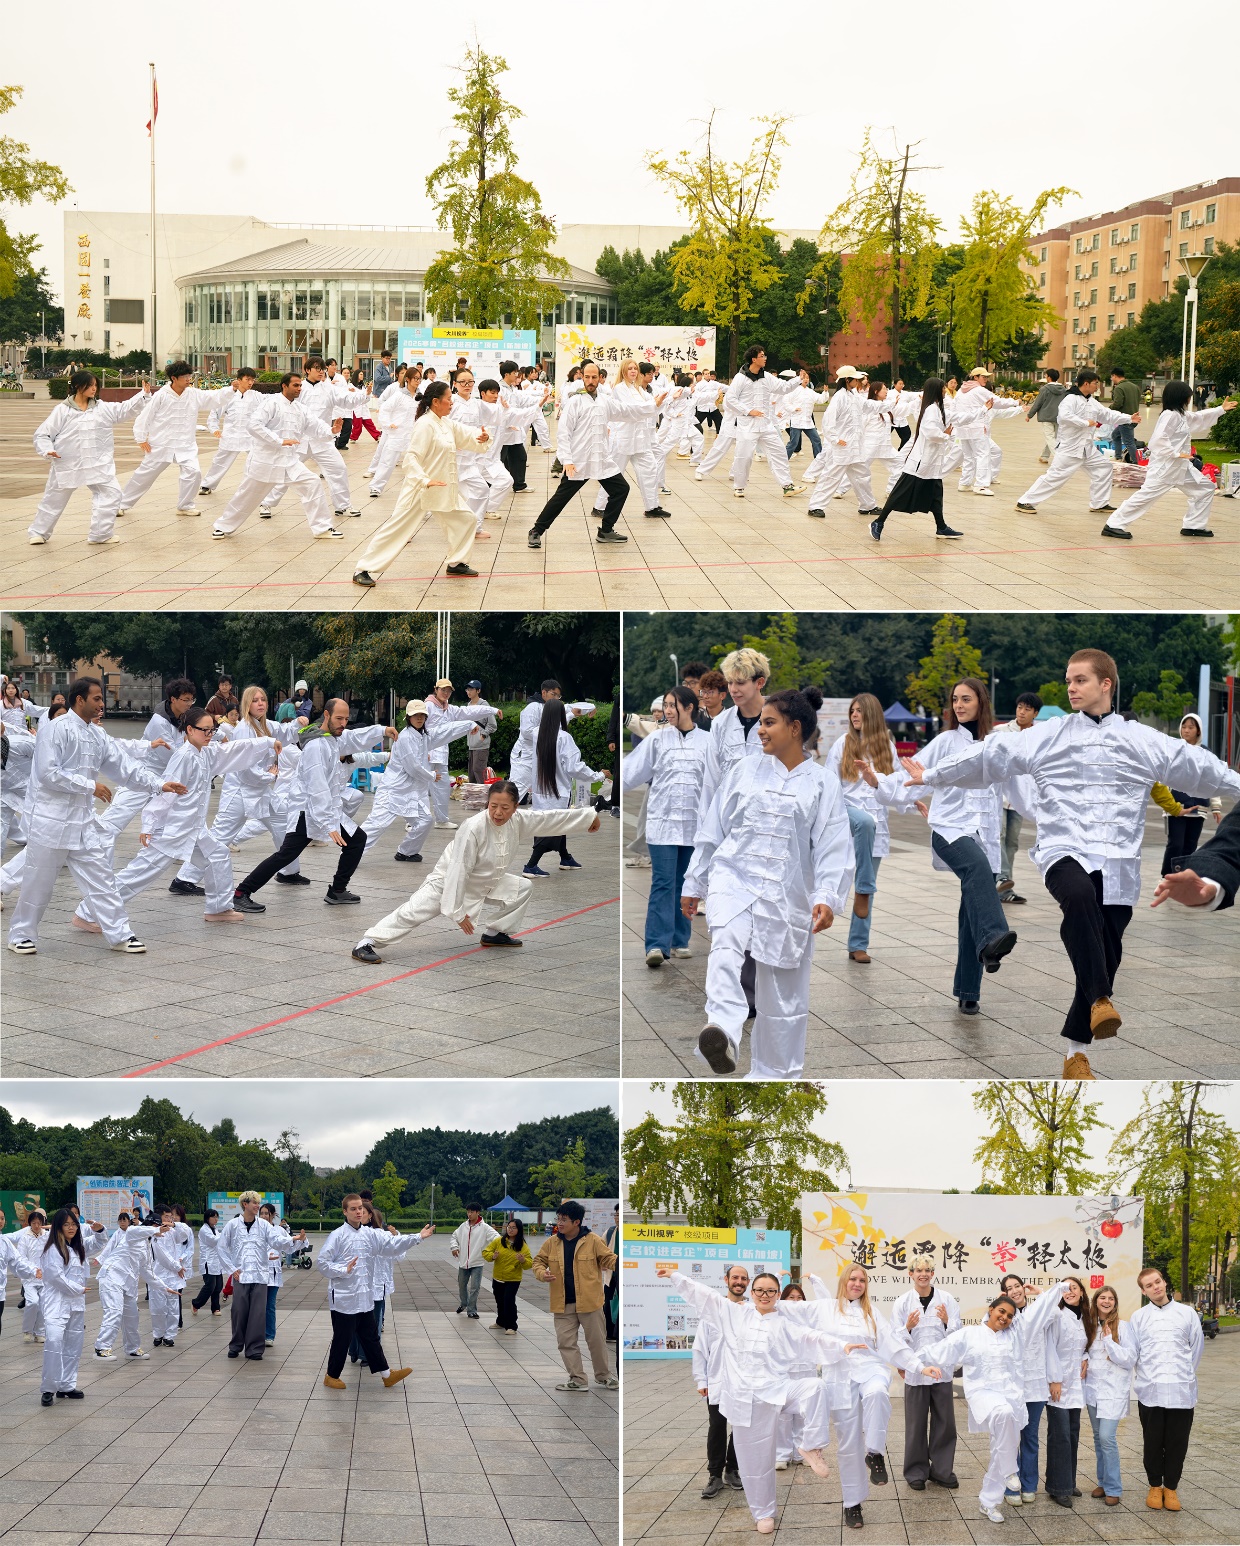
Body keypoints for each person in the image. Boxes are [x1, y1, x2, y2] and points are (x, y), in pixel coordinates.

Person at [906, 649, 1240, 1076]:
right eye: (1068, 680)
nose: (1071, 687)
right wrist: (931, 774)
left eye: (1080, 680)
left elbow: (1198, 766)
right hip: (1063, 850)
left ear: (1106, 684)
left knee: (1108, 951)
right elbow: (991, 755)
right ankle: (1100, 998)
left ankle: (1074, 1054)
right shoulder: (1050, 734)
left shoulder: (1142, 740)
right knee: (1079, 897)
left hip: (1119, 861)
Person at [684, 686, 854, 1077]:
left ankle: (773, 1076)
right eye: (760, 723)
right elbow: (714, 828)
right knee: (725, 945)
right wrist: (695, 881)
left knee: (783, 995)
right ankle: (723, 1031)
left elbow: (833, 845)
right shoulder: (744, 771)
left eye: (769, 723)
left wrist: (827, 896)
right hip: (734, 877)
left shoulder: (822, 783)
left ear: (795, 728)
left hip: (788, 895)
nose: (760, 730)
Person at [860, 678, 1018, 1017]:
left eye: (966, 699)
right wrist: (878, 782)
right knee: (976, 870)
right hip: (949, 830)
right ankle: (995, 936)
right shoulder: (946, 741)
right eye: (955, 699)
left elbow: (1021, 789)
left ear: (981, 702)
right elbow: (913, 775)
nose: (958, 705)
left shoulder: (997, 745)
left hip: (985, 839)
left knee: (971, 909)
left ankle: (968, 991)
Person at [660, 1263, 856, 1534]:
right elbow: (706, 1296)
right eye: (760, 1290)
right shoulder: (734, 1313)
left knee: (815, 1387)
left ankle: (811, 1446)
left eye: (771, 1291)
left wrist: (842, 1345)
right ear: (752, 1292)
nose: (765, 1295)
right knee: (755, 1462)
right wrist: (676, 1276)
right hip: (746, 1399)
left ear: (778, 1294)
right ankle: (763, 1513)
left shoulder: (784, 1323)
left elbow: (811, 1337)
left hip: (778, 1389)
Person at [7, 678, 187, 957]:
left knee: (102, 880)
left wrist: (159, 784)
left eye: (102, 699)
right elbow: (47, 773)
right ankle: (21, 935)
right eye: (97, 699)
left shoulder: (97, 735)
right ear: (79, 700)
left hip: (83, 823)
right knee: (38, 883)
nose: (102, 704)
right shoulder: (55, 729)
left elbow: (126, 768)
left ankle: (120, 934)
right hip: (50, 821)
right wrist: (90, 786)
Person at [74, 705, 284, 931]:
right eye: (204, 730)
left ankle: (219, 908)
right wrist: (149, 825)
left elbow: (233, 749)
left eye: (212, 730)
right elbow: (166, 793)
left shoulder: (206, 752)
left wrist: (267, 742)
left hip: (193, 828)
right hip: (171, 830)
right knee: (140, 873)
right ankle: (88, 912)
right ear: (189, 730)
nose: (209, 735)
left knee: (218, 856)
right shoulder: (184, 757)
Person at [351, 781, 603, 963]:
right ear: (487, 804)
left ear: (515, 807)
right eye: (493, 806)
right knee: (412, 912)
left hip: (485, 880)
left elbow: (548, 818)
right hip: (447, 881)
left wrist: (588, 817)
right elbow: (458, 869)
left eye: (505, 807)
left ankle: (495, 934)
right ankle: (367, 942)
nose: (498, 813)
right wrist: (457, 910)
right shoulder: (473, 827)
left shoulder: (518, 820)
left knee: (522, 888)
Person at [899, 1283, 1070, 1524]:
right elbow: (939, 1349)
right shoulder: (970, 1334)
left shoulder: (1016, 1336)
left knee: (1002, 1447)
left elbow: (1037, 1313)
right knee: (1003, 1414)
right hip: (983, 1394)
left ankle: (988, 1502)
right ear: (991, 1310)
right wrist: (914, 1364)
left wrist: (1057, 1290)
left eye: (1010, 1315)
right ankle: (1011, 1470)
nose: (1005, 1317)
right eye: (1001, 1311)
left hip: (1011, 1396)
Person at [232, 699, 394, 911]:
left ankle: (337, 890)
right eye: (339, 718)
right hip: (307, 810)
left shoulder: (332, 738)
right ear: (326, 715)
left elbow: (354, 737)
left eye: (346, 719)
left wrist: (382, 730)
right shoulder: (316, 745)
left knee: (357, 840)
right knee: (286, 855)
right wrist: (328, 824)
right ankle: (241, 892)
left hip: (324, 810)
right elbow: (317, 787)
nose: (343, 723)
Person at [353, 379, 492, 586]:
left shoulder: (446, 423)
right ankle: (363, 568)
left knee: (466, 519)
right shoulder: (424, 424)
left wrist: (481, 437)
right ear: (436, 401)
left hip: (442, 488)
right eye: (448, 399)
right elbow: (411, 458)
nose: (452, 403)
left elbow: (467, 434)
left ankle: (456, 563)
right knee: (398, 528)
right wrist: (425, 480)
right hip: (420, 488)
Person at [623, 685, 711, 967]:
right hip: (662, 825)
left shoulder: (708, 742)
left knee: (686, 883)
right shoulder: (657, 740)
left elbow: (718, 782)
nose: (667, 711)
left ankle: (680, 940)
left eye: (673, 705)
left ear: (689, 708)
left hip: (694, 827)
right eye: (666, 705)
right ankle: (656, 945)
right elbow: (632, 770)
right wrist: (609, 790)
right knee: (663, 882)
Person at [318, 1194, 433, 1390]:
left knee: (371, 1337)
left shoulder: (370, 1234)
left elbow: (392, 1245)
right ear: (345, 1211)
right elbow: (322, 1263)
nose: (358, 1212)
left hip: (364, 1298)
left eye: (360, 1208)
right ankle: (331, 1376)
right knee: (342, 1339)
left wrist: (417, 1237)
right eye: (353, 1209)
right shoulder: (337, 1235)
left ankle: (386, 1374)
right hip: (345, 1299)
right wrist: (343, 1269)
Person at [209, 372, 342, 539]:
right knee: (245, 496)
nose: (299, 389)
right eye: (295, 385)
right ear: (284, 386)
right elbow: (254, 425)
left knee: (313, 483)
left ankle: (322, 528)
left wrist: (331, 430)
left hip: (289, 463)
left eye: (300, 385)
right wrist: (279, 441)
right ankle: (222, 526)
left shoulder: (301, 409)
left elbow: (315, 426)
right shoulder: (271, 403)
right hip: (264, 462)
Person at [28, 368, 151, 544]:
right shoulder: (62, 410)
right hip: (68, 463)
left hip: (98, 463)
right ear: (78, 386)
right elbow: (43, 434)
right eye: (90, 385)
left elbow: (124, 409)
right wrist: (47, 450)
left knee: (111, 493)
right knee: (54, 498)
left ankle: (100, 534)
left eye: (95, 385)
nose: (94, 388)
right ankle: (38, 532)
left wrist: (143, 395)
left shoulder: (102, 408)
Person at [362, 696, 491, 862]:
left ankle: (406, 852)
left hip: (409, 792)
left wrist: (468, 725)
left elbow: (444, 731)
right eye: (415, 715)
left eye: (422, 715)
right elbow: (413, 767)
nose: (419, 718)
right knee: (376, 824)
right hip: (393, 791)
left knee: (425, 820)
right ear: (408, 718)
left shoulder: (424, 736)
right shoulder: (405, 737)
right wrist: (432, 775)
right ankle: (351, 852)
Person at [826, 694, 904, 964]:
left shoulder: (887, 747)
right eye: (852, 711)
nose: (854, 715)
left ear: (872, 713)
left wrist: (913, 800)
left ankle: (858, 945)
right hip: (847, 814)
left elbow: (896, 784)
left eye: (859, 711)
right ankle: (862, 887)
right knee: (864, 823)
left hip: (875, 827)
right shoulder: (842, 744)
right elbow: (830, 786)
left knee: (866, 884)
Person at [1102, 383, 1236, 539]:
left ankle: (1194, 525)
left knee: (1205, 488)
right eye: (1188, 396)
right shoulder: (1170, 415)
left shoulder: (1181, 414)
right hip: (1165, 468)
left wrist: (1220, 409)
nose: (1189, 399)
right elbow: (1158, 440)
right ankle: (1113, 525)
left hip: (1180, 467)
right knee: (1145, 497)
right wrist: (1176, 454)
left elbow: (1198, 417)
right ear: (1180, 397)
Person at [527, 360, 630, 549]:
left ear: (599, 378)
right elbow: (563, 432)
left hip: (600, 459)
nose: (590, 380)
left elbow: (626, 411)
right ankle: (536, 530)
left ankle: (606, 530)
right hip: (578, 461)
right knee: (561, 498)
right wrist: (567, 460)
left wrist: (654, 406)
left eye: (594, 377)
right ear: (582, 377)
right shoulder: (575, 401)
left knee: (621, 489)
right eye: (587, 377)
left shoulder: (604, 400)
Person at [1127, 1265, 1203, 1513]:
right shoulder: (1139, 1317)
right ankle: (1154, 1486)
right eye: (1149, 1285)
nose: (1155, 1287)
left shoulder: (1187, 1313)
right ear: (1143, 1291)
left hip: (1181, 1392)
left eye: (1157, 1281)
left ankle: (1170, 1488)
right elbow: (1135, 1354)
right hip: (1151, 1392)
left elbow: (1196, 1350)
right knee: (1152, 1442)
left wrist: (1183, 1375)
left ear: (1164, 1282)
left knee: (1177, 1443)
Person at [1014, 368, 1140, 516]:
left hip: (1087, 449)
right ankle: (1025, 502)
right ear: (1086, 383)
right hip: (1070, 448)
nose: (1097, 386)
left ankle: (1099, 503)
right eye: (1095, 383)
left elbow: (1107, 414)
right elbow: (1064, 417)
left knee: (1104, 468)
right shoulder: (1070, 399)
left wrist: (1128, 418)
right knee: (1055, 477)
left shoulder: (1091, 402)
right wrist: (1085, 423)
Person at [889, 1255, 962, 1491]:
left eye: (927, 1270)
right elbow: (894, 1338)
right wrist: (908, 1328)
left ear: (933, 1273)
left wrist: (947, 1321)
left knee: (945, 1423)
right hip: (916, 1371)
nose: (923, 1274)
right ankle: (916, 1472)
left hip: (941, 1371)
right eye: (918, 1270)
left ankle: (942, 1470)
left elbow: (958, 1335)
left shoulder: (946, 1299)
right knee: (916, 1424)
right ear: (910, 1274)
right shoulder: (902, 1302)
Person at [118, 362, 226, 518]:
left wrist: (232, 390)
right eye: (185, 376)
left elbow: (213, 397)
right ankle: (121, 504)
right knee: (144, 476)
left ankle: (185, 506)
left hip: (185, 445)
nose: (188, 379)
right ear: (174, 378)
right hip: (161, 444)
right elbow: (145, 416)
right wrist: (141, 438)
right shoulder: (161, 395)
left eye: (189, 376)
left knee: (193, 472)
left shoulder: (193, 394)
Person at [534, 1202, 620, 1393]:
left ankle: (604, 1376)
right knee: (565, 1343)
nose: (559, 1223)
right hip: (562, 1303)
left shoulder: (593, 1240)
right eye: (558, 1219)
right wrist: (542, 1273)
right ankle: (578, 1379)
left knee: (597, 1342)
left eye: (564, 1220)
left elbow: (608, 1259)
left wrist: (625, 1262)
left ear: (576, 1222)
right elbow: (538, 1261)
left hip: (590, 1302)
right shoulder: (552, 1243)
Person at [214, 1193, 308, 1361]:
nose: (257, 1206)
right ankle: (236, 1345)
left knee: (258, 1313)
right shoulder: (232, 1225)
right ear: (245, 1204)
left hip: (260, 1275)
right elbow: (221, 1248)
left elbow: (277, 1241)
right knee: (238, 1311)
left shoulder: (264, 1225)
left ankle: (254, 1349)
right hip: (241, 1276)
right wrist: (231, 1269)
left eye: (258, 1203)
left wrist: (295, 1238)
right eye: (254, 1203)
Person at [869, 379, 963, 541]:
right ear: (936, 390)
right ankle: (878, 522)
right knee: (898, 494)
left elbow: (958, 417)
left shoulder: (937, 408)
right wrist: (945, 435)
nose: (945, 391)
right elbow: (930, 432)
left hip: (931, 464)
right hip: (920, 463)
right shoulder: (931, 409)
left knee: (936, 496)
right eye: (943, 388)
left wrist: (983, 410)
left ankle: (941, 527)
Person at [36, 1207, 108, 1405]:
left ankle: (66, 1385)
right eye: (66, 1224)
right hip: (56, 1303)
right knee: (54, 1343)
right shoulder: (52, 1249)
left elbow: (100, 1243)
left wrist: (100, 1231)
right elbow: (55, 1277)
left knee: (73, 1345)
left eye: (74, 1224)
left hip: (76, 1305)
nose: (71, 1228)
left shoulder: (77, 1247)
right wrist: (79, 1289)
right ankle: (48, 1388)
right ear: (58, 1227)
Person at [522, 701, 600, 878]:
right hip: (558, 791)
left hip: (541, 791)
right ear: (559, 716)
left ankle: (565, 857)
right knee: (552, 828)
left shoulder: (537, 733)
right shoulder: (564, 738)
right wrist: (598, 776)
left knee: (554, 824)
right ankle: (531, 865)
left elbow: (555, 722)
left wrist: (572, 713)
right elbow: (575, 768)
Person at [693, 1264, 749, 1497]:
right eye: (735, 1277)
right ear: (726, 1280)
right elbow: (700, 1348)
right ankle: (715, 1474)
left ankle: (732, 1469)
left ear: (748, 1283)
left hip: (743, 1382)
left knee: (740, 1427)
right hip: (717, 1380)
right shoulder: (712, 1314)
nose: (739, 1282)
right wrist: (701, 1380)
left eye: (743, 1278)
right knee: (717, 1426)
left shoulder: (751, 1313)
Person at [1085, 1284, 1138, 1507]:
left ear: (1115, 1303)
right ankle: (1103, 1482)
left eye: (1111, 1298)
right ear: (1096, 1301)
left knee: (1107, 1437)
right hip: (1093, 1391)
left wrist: (1108, 1341)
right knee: (1098, 1438)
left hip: (1113, 1391)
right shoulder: (1089, 1326)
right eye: (1102, 1298)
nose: (1106, 1301)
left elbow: (1129, 1359)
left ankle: (1114, 1487)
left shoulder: (1123, 1327)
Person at [1044, 1276, 1095, 1507]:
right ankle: (1058, 1487)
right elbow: (1049, 1349)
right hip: (1058, 1385)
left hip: (1076, 1386)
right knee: (1060, 1436)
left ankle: (1068, 1481)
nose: (1070, 1292)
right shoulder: (1056, 1315)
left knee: (1073, 1433)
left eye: (1074, 1288)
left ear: (1082, 1292)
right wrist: (1054, 1379)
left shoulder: (1086, 1318)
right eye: (1065, 1289)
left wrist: (1085, 1357)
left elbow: (1085, 1346)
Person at [91, 1210, 160, 1360]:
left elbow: (147, 1271)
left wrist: (164, 1288)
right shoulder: (133, 1232)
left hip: (127, 1283)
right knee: (114, 1311)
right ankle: (102, 1347)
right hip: (112, 1277)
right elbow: (111, 1246)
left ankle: (132, 1349)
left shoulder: (147, 1245)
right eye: (156, 1227)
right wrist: (100, 1258)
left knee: (132, 1316)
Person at [995, 693, 1043, 904]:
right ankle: (1002, 879)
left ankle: (1004, 890)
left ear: (1035, 713)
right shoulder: (1001, 732)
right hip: (999, 795)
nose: (1021, 712)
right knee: (998, 836)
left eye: (1027, 709)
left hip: (1021, 800)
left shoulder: (1038, 736)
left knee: (1012, 843)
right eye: (1019, 707)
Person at [1160, 713, 1222, 875]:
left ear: (1198, 730)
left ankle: (1182, 878)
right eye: (1184, 726)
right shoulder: (1173, 749)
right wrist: (1166, 802)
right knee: (1176, 844)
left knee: (1190, 846)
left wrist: (1216, 806)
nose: (1186, 730)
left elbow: (1213, 779)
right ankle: (1167, 876)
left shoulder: (1206, 754)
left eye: (1191, 727)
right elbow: (1163, 776)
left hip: (1198, 808)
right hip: (1177, 806)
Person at [200, 367, 260, 493]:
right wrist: (214, 429)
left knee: (258, 461)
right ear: (239, 380)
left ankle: (257, 488)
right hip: (230, 435)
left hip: (250, 436)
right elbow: (215, 413)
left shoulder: (256, 396)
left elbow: (271, 403)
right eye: (247, 379)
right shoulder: (229, 395)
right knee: (220, 462)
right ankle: (207, 485)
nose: (250, 382)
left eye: (252, 380)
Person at [483, 1218, 533, 1335]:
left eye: (513, 1228)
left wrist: (523, 1260)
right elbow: (486, 1251)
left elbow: (529, 1263)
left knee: (509, 1301)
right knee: (500, 1301)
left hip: (513, 1279)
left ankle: (511, 1326)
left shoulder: (522, 1245)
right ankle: (500, 1322)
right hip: (498, 1277)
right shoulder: (499, 1241)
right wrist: (493, 1256)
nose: (510, 1230)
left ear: (519, 1230)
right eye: (509, 1227)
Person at [258, 1201, 297, 1346]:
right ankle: (256, 1334)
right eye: (261, 1213)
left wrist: (298, 1240)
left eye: (266, 1213)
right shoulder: (255, 1230)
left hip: (273, 1273)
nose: (264, 1216)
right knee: (257, 1306)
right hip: (257, 1273)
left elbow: (289, 1246)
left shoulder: (279, 1230)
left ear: (273, 1215)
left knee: (269, 1306)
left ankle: (269, 1335)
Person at [451, 1204, 499, 1319]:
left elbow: (497, 1238)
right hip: (463, 1262)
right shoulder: (463, 1226)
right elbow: (454, 1236)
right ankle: (464, 1303)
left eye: (472, 1212)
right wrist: (454, 1247)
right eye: (468, 1212)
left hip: (477, 1262)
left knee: (475, 1287)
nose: (469, 1214)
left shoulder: (485, 1228)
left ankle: (472, 1310)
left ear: (478, 1212)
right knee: (462, 1285)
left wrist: (499, 1248)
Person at [0, 1205, 38, 1339]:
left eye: (2, 1218)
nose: (0, 1221)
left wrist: (33, 1271)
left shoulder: (5, 1242)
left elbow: (17, 1262)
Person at [1025, 369, 1068, 463]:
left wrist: (1029, 415)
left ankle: (1059, 457)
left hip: (1046, 417)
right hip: (1059, 417)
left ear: (1049, 377)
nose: (1045, 377)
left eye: (1046, 375)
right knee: (1053, 438)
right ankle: (1044, 456)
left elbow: (1038, 403)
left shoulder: (1045, 389)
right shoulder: (1063, 389)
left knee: (1050, 437)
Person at [783, 369, 827, 458]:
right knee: (793, 443)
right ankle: (783, 459)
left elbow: (820, 399)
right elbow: (785, 401)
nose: (806, 380)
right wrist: (793, 409)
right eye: (804, 378)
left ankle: (818, 459)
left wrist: (825, 392)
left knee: (816, 440)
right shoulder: (794, 390)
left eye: (807, 378)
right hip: (797, 420)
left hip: (808, 421)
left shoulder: (810, 391)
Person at [190, 1209, 223, 1317]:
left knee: (218, 1286)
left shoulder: (215, 1229)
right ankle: (196, 1303)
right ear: (207, 1218)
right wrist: (225, 1235)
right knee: (210, 1286)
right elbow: (214, 1241)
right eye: (213, 1217)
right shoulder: (204, 1230)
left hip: (216, 1262)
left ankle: (215, 1308)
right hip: (208, 1261)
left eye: (217, 1217)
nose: (216, 1219)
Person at [464, 681, 496, 785]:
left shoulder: (484, 705)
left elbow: (492, 724)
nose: (468, 691)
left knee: (479, 771)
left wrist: (483, 735)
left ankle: (485, 793)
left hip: (481, 745)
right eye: (467, 689)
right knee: (472, 775)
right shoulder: (468, 705)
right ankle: (474, 795)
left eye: (471, 689)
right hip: (471, 745)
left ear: (478, 691)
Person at [1108, 368, 1142, 463]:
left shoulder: (1119, 388)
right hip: (1134, 417)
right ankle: (1118, 457)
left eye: (1111, 377)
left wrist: (1108, 409)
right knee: (1115, 435)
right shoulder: (1135, 387)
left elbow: (1118, 403)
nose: (1112, 379)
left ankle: (1136, 462)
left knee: (1129, 442)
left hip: (1125, 419)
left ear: (1114, 375)